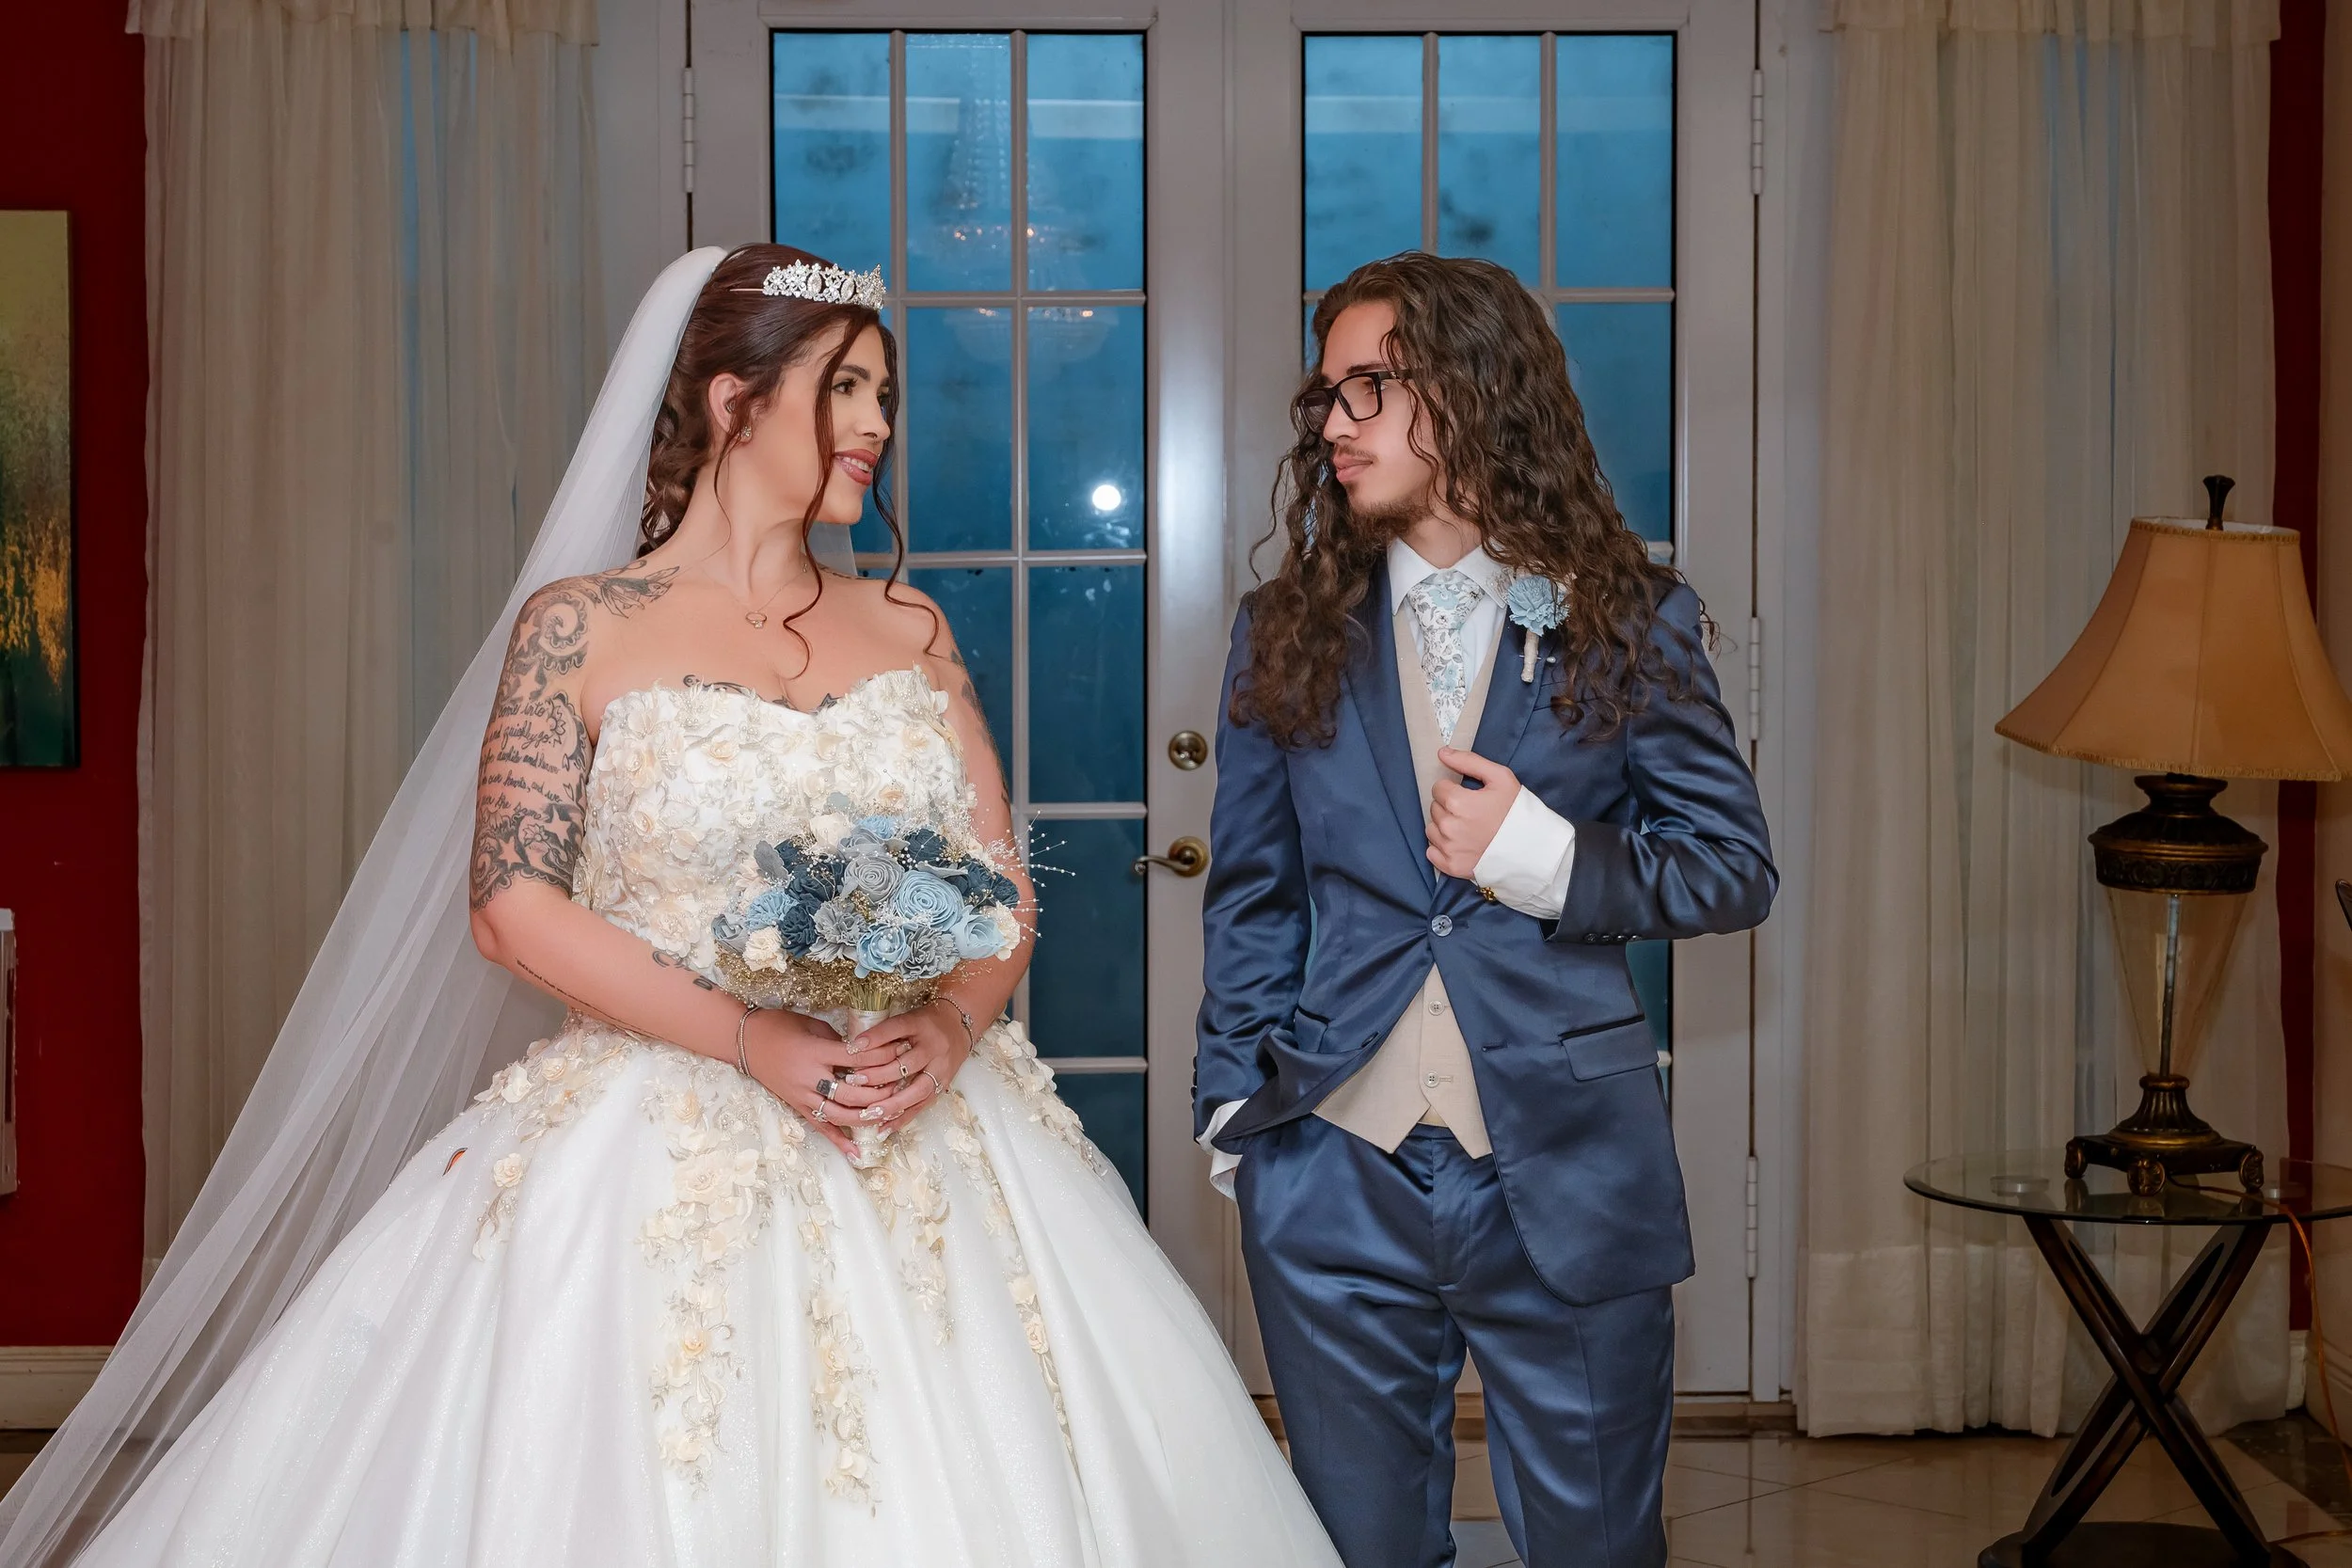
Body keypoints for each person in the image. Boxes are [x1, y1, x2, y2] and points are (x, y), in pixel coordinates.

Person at [11, 245, 1341, 1568]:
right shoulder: (582, 628)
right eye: (846, 388)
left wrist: (945, 1023)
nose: (879, 424)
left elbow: (997, 899)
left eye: (887, 394)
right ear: (732, 401)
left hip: (921, 1117)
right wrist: (755, 1038)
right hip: (655, 1128)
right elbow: (511, 905)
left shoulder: (912, 628)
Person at [1196, 252, 1777, 1568]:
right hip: (1333, 1167)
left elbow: (1730, 866)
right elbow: (1252, 892)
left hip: (1567, 1166)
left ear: (1470, 391)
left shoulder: (1634, 618)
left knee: (1597, 1545)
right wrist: (1239, 1115)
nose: (1335, 423)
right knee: (1360, 1545)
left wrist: (1553, 859)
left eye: (1369, 386)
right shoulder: (1283, 628)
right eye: (1325, 396)